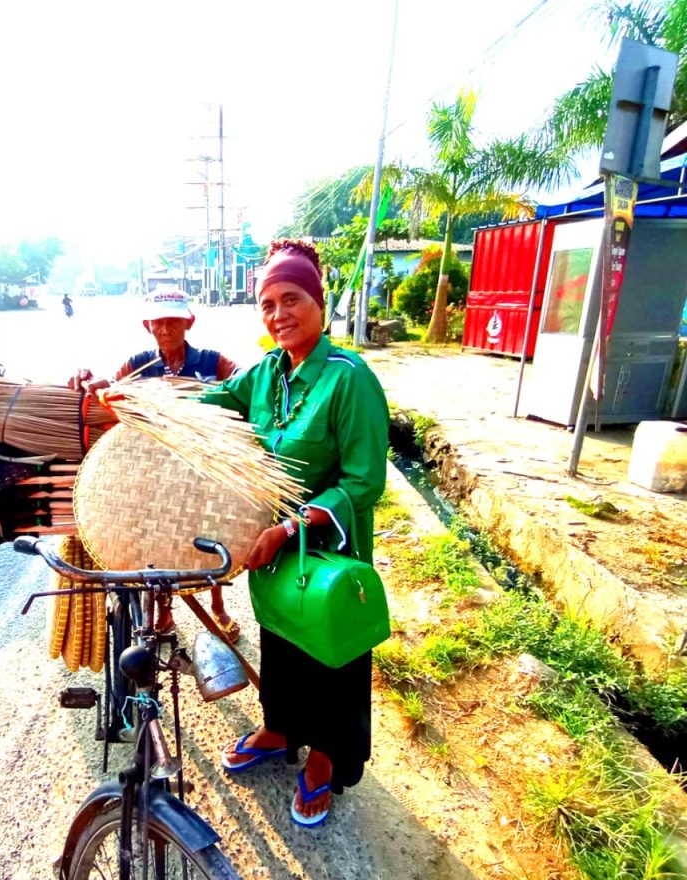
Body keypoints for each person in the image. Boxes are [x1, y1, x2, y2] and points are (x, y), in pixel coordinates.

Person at [209, 240, 388, 828]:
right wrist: (133, 394)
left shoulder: (349, 379)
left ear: (320, 303)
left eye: (292, 299)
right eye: (268, 304)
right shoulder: (264, 375)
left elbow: (363, 482)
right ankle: (280, 728)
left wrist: (291, 527)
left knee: (329, 655)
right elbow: (207, 402)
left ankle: (327, 757)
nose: (279, 313)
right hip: (276, 546)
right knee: (282, 638)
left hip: (328, 548)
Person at [70, 288, 241, 642]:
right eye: (158, 322)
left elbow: (246, 383)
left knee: (212, 535)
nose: (165, 329)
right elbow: (111, 395)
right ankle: (164, 614)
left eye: (173, 321)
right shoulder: (137, 365)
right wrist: (92, 382)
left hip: (204, 470)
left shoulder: (212, 362)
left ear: (188, 322)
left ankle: (219, 606)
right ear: (148, 326)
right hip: (156, 475)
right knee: (163, 542)